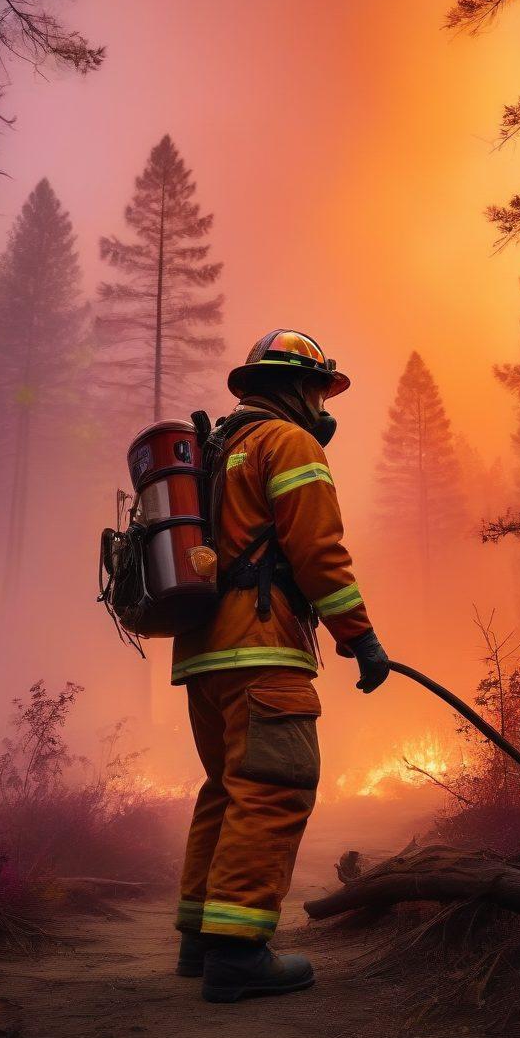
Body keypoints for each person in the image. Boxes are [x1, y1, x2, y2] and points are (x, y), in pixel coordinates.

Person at [172, 329, 390, 1002]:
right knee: (273, 786)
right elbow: (318, 553)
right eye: (321, 388)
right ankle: (237, 956)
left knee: (229, 787)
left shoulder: (218, 449)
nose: (325, 403)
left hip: (205, 653)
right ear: (297, 386)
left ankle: (199, 938)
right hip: (262, 649)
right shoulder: (287, 443)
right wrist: (361, 636)